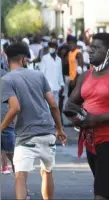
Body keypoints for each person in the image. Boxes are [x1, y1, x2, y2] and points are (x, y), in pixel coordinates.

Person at [66, 33, 109, 200]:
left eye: (96, 48)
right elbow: (71, 104)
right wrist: (77, 118)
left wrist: (96, 119)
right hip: (91, 139)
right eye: (91, 47)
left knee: (102, 192)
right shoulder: (85, 76)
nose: (90, 51)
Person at [1, 43, 67, 200]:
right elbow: (53, 105)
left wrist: (1, 127)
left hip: (26, 136)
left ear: (6, 58)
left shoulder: (6, 80)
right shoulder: (38, 75)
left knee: (20, 176)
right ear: (24, 59)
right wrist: (59, 129)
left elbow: (15, 108)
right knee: (47, 172)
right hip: (48, 132)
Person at [40, 42, 65, 108]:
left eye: (53, 47)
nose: (51, 48)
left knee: (55, 107)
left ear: (56, 49)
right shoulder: (45, 58)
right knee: (47, 107)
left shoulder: (59, 59)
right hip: (48, 87)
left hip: (57, 87)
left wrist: (62, 84)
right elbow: (42, 73)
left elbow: (60, 73)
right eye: (50, 47)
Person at [1, 68, 15, 174]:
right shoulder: (7, 75)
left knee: (13, 154)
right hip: (5, 118)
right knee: (13, 154)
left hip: (5, 118)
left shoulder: (6, 75)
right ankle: (22, 187)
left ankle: (21, 186)